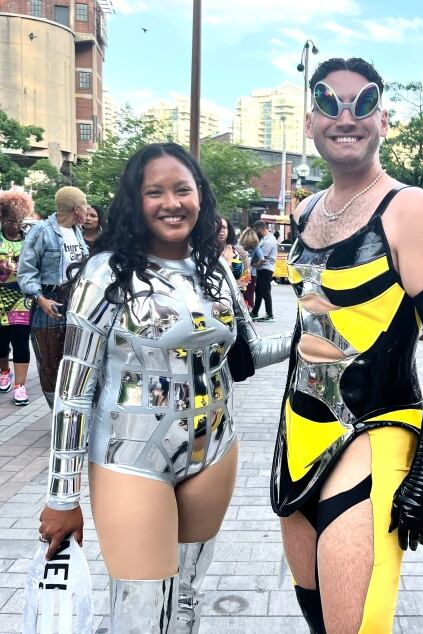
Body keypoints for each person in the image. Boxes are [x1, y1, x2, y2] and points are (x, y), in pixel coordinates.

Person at [35, 143, 292, 632]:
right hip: (131, 457)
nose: (171, 203)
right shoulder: (105, 274)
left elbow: (248, 351)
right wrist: (62, 497)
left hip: (214, 449)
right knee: (141, 610)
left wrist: (311, 335)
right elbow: (73, 390)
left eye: (183, 190)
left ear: (201, 198)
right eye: (155, 192)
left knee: (188, 600)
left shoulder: (215, 270)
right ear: (136, 201)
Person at [272, 57, 423, 633]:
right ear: (311, 121)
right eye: (329, 103)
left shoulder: (411, 208)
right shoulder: (305, 210)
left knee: (357, 627)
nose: (346, 116)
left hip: (374, 430)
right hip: (298, 433)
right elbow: (307, 327)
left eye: (363, 103)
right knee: (319, 620)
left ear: (383, 118)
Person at [17, 186, 89, 407]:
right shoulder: (42, 231)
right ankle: (56, 412)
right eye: (85, 206)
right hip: (49, 302)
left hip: (76, 301)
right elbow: (25, 271)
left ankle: (71, 409)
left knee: (75, 359)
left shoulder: (77, 232)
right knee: (50, 362)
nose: (87, 210)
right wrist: (40, 298)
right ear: (77, 209)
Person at [0, 189, 35, 406]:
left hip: (21, 297)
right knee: (1, 343)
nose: (16, 225)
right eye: (11, 221)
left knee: (21, 342)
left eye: (19, 221)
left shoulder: (30, 239)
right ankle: (5, 372)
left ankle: (20, 386)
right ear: (2, 218)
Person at [217, 218, 252, 300]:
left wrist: (236, 286)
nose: (221, 230)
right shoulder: (206, 253)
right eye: (217, 227)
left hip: (238, 298)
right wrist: (227, 264)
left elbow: (247, 274)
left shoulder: (239, 251)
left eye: (224, 227)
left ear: (229, 230)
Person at [249, 220, 277, 322]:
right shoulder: (265, 238)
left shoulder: (269, 240)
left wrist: (252, 265)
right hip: (263, 268)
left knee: (265, 291)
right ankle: (255, 312)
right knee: (259, 291)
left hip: (266, 268)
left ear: (260, 228)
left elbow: (263, 258)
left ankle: (269, 314)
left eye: (257, 230)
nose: (256, 232)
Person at [238, 226, 260, 309]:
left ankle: (242, 309)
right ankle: (249, 309)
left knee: (241, 292)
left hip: (241, 272)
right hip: (251, 273)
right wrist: (254, 265)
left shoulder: (239, 245)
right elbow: (261, 258)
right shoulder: (255, 246)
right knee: (250, 293)